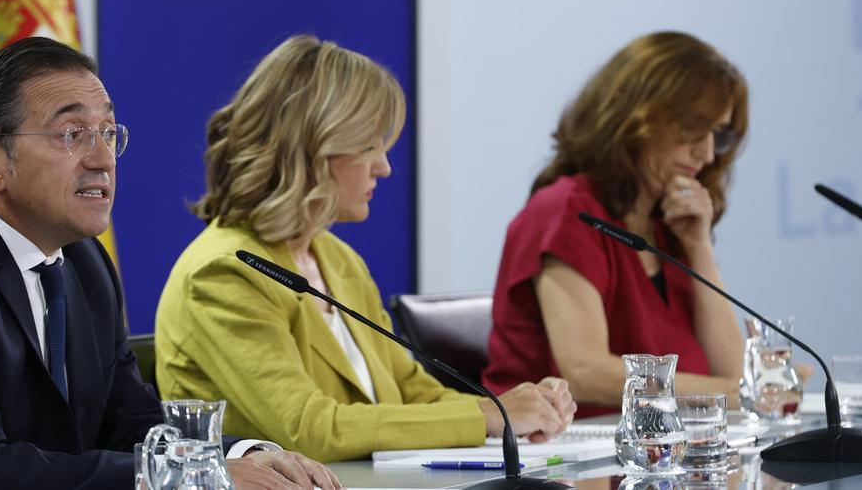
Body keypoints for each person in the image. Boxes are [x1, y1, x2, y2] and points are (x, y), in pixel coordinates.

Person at [0, 37, 339, 490]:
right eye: (71, 134)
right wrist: (198, 476)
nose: (102, 157)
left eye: (107, 132)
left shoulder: (82, 265)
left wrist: (247, 453)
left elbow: (131, 423)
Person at [154, 35, 576, 463]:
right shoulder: (224, 272)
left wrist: (517, 409)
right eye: (369, 145)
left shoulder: (337, 259)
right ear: (314, 149)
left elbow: (413, 392)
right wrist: (487, 416)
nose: (385, 166)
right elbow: (309, 429)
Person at [483, 31, 748, 419]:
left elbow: (733, 373)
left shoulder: (670, 222)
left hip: (653, 454)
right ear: (637, 115)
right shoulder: (566, 211)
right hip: (554, 461)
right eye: (694, 127)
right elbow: (584, 372)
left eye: (718, 135)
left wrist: (699, 248)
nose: (706, 153)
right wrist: (727, 394)